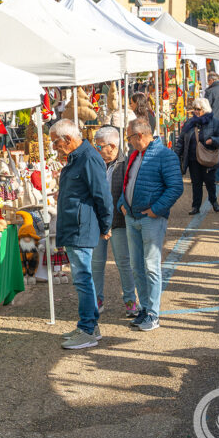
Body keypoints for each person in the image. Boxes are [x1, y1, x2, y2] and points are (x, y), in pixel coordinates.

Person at [50, 120, 113, 350]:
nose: (54, 147)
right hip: (76, 225)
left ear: (67, 138)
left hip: (81, 227)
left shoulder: (87, 157)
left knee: (83, 279)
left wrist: (106, 226)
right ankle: (89, 326)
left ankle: (87, 328)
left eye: (55, 142)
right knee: (82, 279)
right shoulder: (78, 156)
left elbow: (102, 195)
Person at [119, 118, 184, 332]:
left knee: (151, 267)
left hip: (150, 218)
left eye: (128, 137)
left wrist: (156, 210)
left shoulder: (165, 155)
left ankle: (153, 314)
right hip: (133, 216)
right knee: (137, 266)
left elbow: (175, 187)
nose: (127, 141)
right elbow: (127, 181)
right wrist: (122, 203)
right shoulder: (135, 154)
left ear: (139, 136)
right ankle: (145, 309)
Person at [90, 127, 138, 317]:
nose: (96, 148)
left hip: (119, 222)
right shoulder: (95, 163)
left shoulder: (127, 164)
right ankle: (97, 301)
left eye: (99, 146)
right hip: (97, 222)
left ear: (112, 146)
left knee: (123, 262)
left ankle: (130, 301)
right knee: (96, 263)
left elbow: (129, 192)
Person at [178, 98, 219, 215]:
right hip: (193, 159)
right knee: (196, 183)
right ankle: (196, 206)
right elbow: (181, 141)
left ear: (205, 109)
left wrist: (213, 140)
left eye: (198, 109)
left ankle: (213, 200)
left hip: (208, 158)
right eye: (194, 109)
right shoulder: (189, 123)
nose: (195, 111)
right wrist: (176, 154)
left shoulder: (214, 122)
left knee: (210, 182)